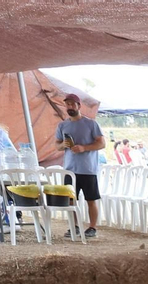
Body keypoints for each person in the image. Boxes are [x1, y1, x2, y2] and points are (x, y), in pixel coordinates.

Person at [53, 93, 104, 237]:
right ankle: (74, 226)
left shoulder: (91, 124)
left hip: (88, 169)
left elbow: (101, 143)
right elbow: (57, 145)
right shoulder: (62, 125)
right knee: (70, 201)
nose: (69, 107)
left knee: (91, 200)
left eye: (72, 104)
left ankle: (92, 227)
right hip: (70, 170)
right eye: (67, 104)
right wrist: (63, 145)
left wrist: (84, 148)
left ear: (79, 106)